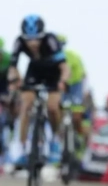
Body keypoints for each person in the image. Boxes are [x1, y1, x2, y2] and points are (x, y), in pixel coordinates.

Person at [7, 15, 70, 166]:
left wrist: (62, 81)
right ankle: (22, 147)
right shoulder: (19, 42)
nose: (33, 44)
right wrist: (15, 80)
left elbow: (64, 67)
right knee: (26, 105)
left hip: (53, 73)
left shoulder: (51, 40)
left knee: (52, 107)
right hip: (34, 71)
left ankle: (55, 140)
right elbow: (13, 67)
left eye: (36, 39)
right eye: (29, 40)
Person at [56, 34, 87, 141]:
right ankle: (59, 136)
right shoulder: (52, 57)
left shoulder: (72, 56)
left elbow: (83, 75)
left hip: (76, 85)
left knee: (76, 116)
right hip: (62, 86)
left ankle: (79, 137)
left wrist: (84, 91)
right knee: (58, 110)